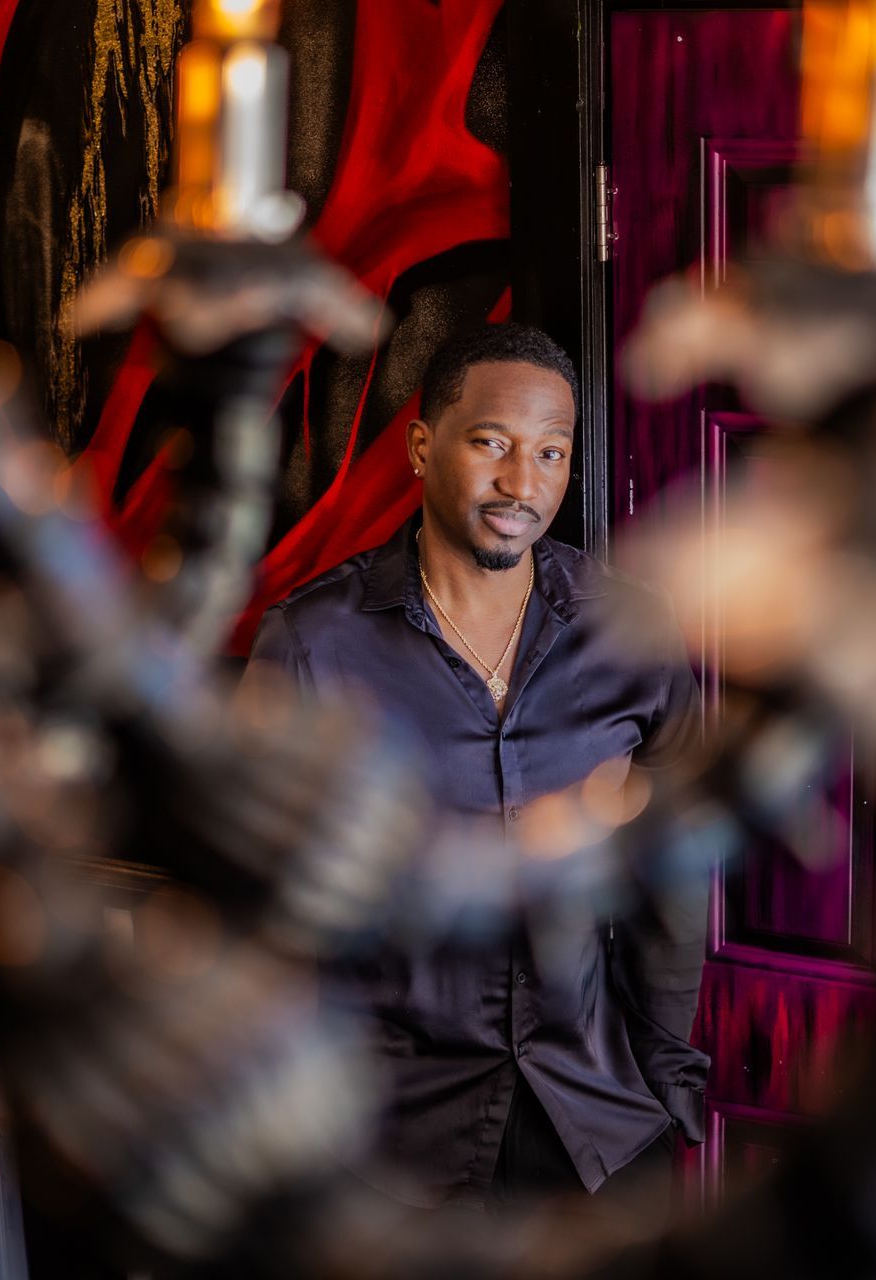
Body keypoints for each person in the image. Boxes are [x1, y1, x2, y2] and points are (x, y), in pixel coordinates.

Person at [245, 322, 707, 1212]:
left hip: (598, 1125)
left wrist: (667, 1080)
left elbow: (676, 874)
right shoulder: (314, 644)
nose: (520, 484)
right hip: (392, 1139)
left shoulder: (632, 632)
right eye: (491, 443)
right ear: (423, 447)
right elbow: (270, 906)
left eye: (550, 453)